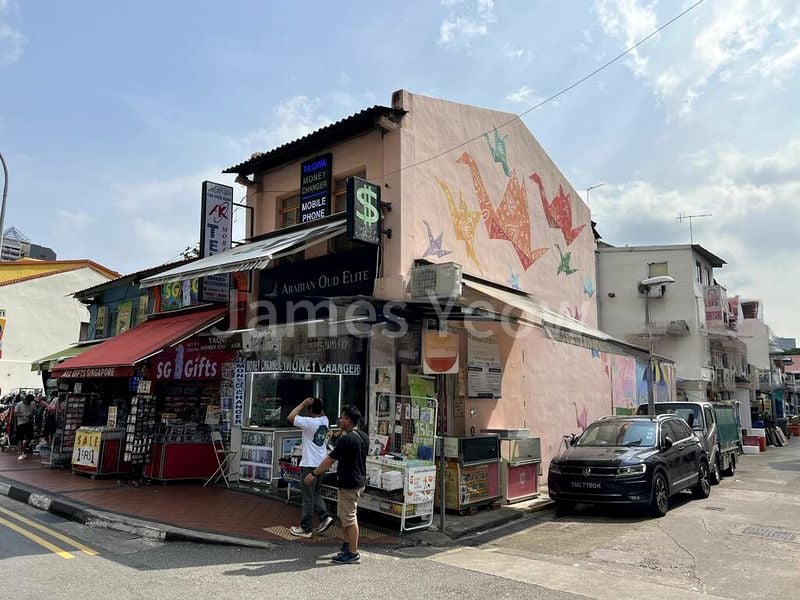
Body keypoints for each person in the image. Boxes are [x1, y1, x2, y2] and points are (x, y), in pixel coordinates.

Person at [305, 404, 369, 565]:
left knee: (349, 518)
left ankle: (353, 553)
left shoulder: (347, 439)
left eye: (342, 417)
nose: (340, 420)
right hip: (358, 481)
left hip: (350, 483)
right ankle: (347, 546)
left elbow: (330, 459)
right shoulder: (363, 436)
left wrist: (314, 474)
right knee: (345, 516)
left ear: (348, 419)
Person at [287, 396, 333, 538]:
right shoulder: (325, 420)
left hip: (309, 464)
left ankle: (305, 528)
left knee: (307, 496)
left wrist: (303, 402)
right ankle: (325, 517)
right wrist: (317, 403)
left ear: (310, 409)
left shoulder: (309, 422)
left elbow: (290, 417)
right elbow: (321, 412)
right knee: (315, 492)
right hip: (322, 463)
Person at [14, 394, 35, 460]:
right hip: (21, 423)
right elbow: (15, 414)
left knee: (30, 437)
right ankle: (20, 453)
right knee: (20, 438)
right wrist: (24, 415)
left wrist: (31, 416)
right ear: (25, 399)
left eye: (30, 402)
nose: (28, 403)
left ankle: (22, 449)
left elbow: (33, 411)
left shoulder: (32, 403)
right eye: (28, 402)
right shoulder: (19, 404)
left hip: (29, 423)